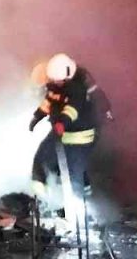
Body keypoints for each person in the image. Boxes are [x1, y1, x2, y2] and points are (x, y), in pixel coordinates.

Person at [28, 53, 113, 212]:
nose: (56, 83)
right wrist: (37, 116)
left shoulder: (78, 88)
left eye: (59, 81)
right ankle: (45, 197)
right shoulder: (56, 84)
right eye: (54, 80)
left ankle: (80, 211)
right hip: (62, 132)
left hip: (80, 135)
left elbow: (72, 109)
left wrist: (62, 122)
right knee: (44, 157)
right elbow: (50, 101)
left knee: (74, 171)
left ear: (67, 77)